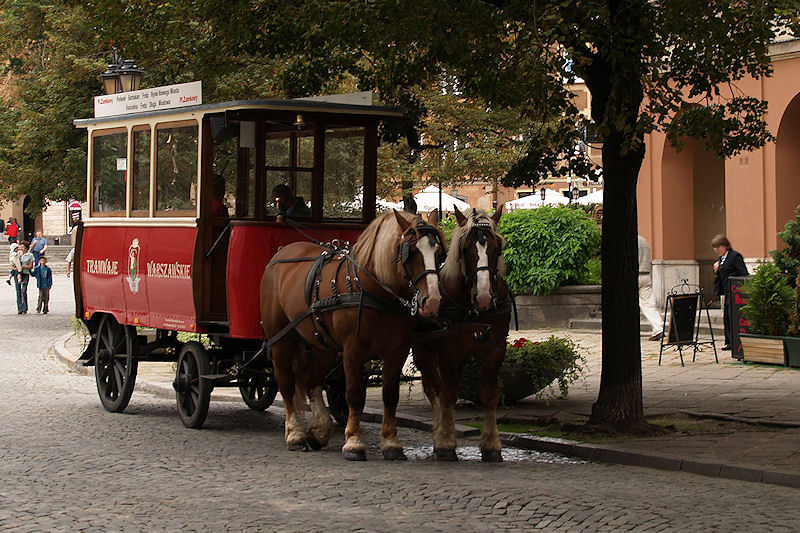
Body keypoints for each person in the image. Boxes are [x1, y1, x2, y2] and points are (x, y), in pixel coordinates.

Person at [712, 234, 749, 350]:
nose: (716, 250)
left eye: (718, 248)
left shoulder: (734, 256)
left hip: (735, 291)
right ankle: (729, 341)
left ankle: (734, 342)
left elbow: (743, 273)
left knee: (732, 316)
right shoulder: (722, 259)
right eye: (715, 248)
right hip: (727, 292)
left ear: (724, 246)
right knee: (727, 317)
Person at [638, 235, 664, 341]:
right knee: (648, 304)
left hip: (634, 275)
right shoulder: (644, 241)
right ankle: (658, 328)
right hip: (646, 274)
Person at [16, 240, 34, 314]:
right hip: (18, 274)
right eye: (21, 247)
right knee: (18, 292)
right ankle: (19, 308)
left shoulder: (30, 255)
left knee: (23, 291)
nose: (21, 248)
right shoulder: (18, 254)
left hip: (25, 273)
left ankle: (25, 308)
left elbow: (31, 266)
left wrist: (23, 266)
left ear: (26, 248)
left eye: (23, 247)